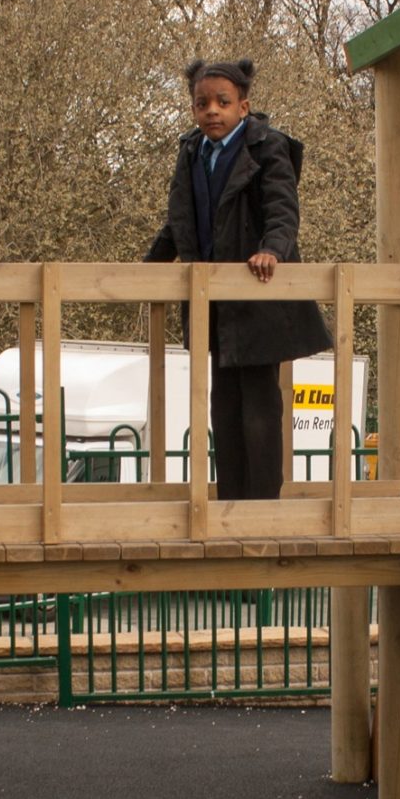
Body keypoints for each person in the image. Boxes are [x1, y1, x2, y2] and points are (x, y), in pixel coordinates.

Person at [143, 59, 329, 500]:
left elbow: (283, 210)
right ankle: (229, 500)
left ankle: (262, 503)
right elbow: (180, 220)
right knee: (224, 405)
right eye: (202, 103)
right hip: (215, 300)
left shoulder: (267, 147)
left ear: (243, 107)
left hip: (259, 293)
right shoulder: (191, 150)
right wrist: (151, 264)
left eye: (222, 102)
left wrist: (272, 251)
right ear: (193, 109)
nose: (212, 111)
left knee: (260, 406)